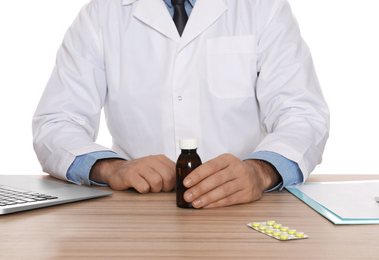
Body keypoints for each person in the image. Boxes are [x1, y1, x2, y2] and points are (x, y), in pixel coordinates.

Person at [32, 0, 330, 209]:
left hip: (243, 209)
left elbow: (302, 114)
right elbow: (57, 122)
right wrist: (110, 169)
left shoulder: (262, 7)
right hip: (136, 211)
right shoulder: (100, 14)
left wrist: (261, 172)